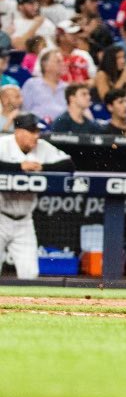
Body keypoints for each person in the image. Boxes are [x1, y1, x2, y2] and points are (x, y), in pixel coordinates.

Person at [0, 112, 74, 279]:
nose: (36, 136)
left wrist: (43, 167)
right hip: (1, 217)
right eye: (32, 131)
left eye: (37, 131)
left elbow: (69, 164)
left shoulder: (41, 146)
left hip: (24, 221)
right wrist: (19, 167)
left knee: (30, 275)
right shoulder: (3, 144)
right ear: (18, 132)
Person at [20, 49, 67, 122]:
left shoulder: (67, 88)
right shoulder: (32, 84)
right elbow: (24, 110)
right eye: (58, 61)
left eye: (63, 61)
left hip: (62, 127)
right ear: (45, 65)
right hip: (36, 126)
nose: (63, 64)